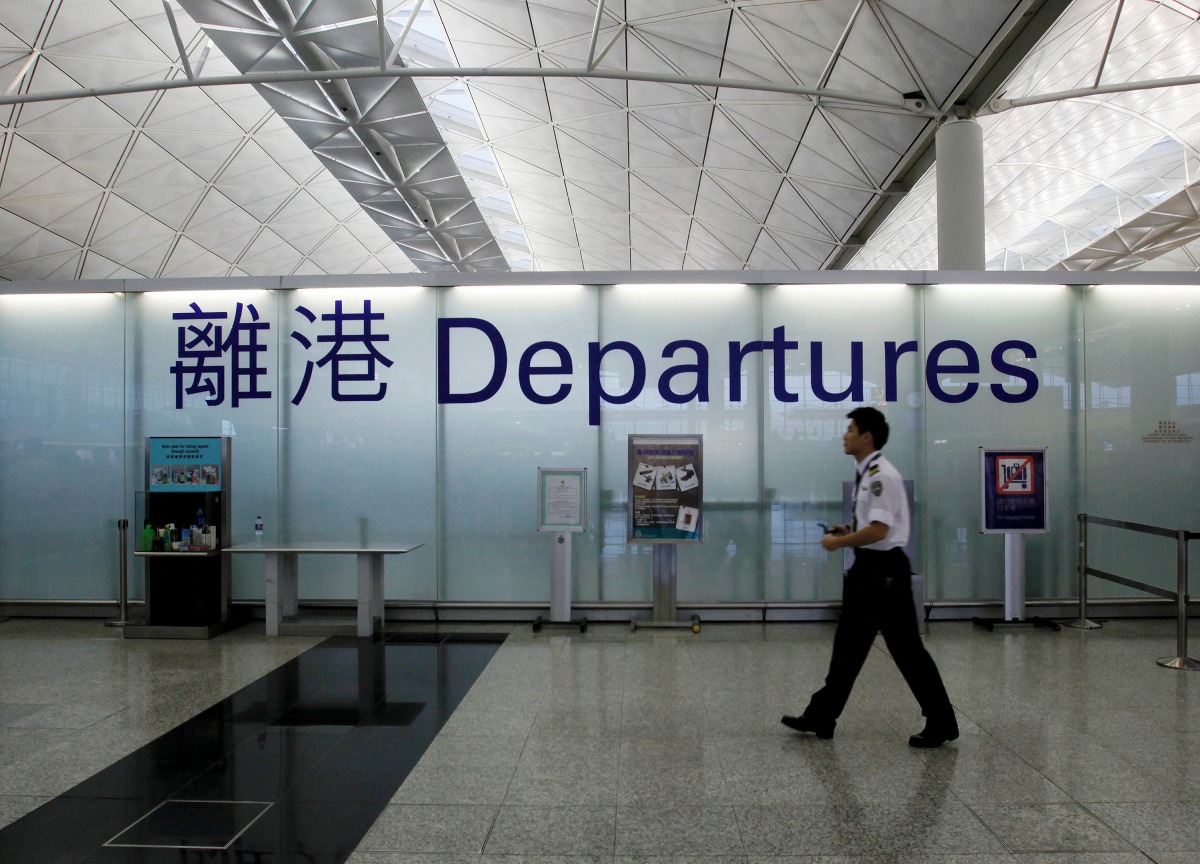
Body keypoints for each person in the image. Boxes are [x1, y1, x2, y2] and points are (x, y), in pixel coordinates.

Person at [782, 406, 959, 748]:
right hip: (869, 569)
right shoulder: (867, 472)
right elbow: (872, 528)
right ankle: (822, 715)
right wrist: (850, 531)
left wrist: (837, 543)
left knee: (907, 650)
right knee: (847, 647)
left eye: (850, 430)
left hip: (884, 573)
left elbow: (879, 532)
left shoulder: (881, 476)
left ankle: (941, 721)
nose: (844, 436)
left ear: (867, 437)